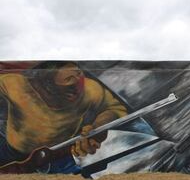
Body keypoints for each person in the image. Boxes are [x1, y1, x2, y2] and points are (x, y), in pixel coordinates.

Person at [0, 61, 128, 171]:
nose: (78, 83)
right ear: (48, 85)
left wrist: (96, 128)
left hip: (60, 157)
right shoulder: (16, 85)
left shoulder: (91, 89)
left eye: (78, 73)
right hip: (12, 152)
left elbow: (114, 109)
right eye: (69, 79)